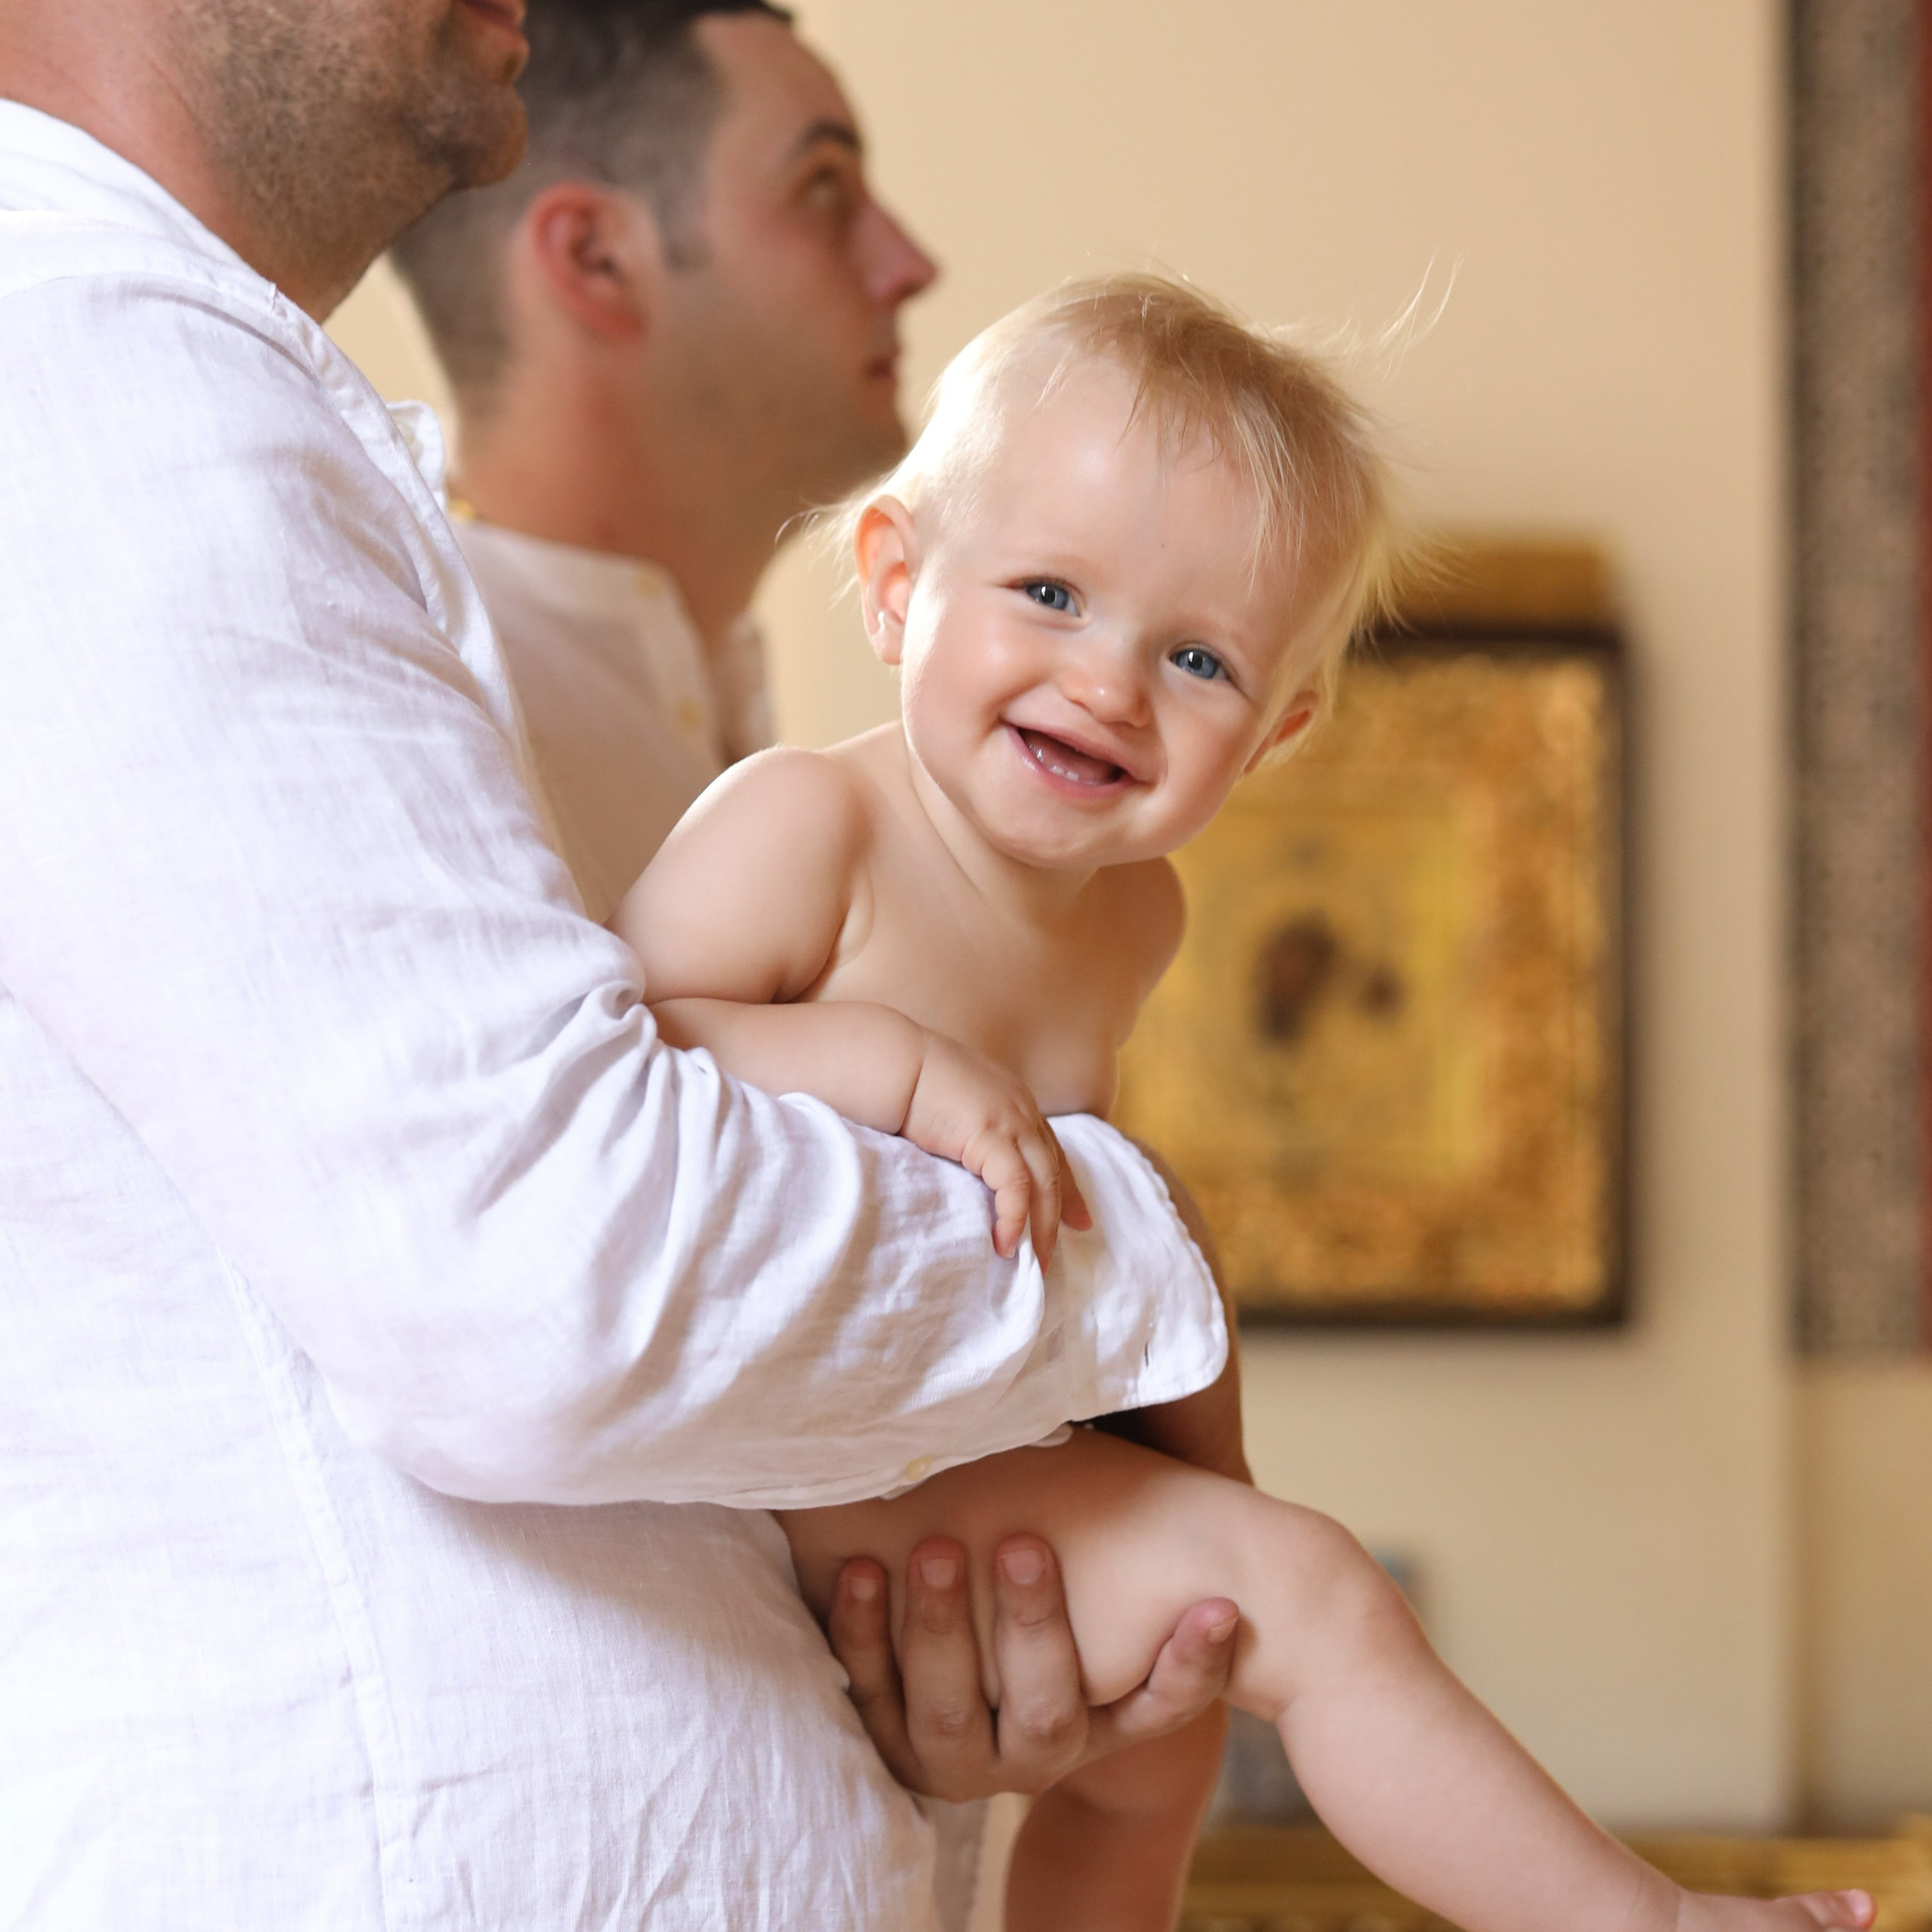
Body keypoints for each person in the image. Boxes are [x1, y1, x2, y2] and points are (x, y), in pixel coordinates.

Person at [0, 4, 1246, 1925]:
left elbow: (618, 1386)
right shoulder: (100, 375)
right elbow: (524, 1275)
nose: (911, 256)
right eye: (821, 189)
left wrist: (916, 1624)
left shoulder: (878, 769)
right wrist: (1135, 1264)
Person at [614, 275, 1880, 1932]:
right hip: (814, 1468)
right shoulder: (808, 827)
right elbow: (625, 1063)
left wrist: (1181, 1406)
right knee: (1312, 1593)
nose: (1108, 682)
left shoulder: (1136, 918)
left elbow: (1070, 1195)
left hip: (963, 1449)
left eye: (1195, 656)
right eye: (1048, 591)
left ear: (1274, 730)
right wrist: (894, 1069)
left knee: (1161, 1747)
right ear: (894, 580)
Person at [389, 0, 935, 922]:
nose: (910, 264)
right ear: (597, 259)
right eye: (824, 188)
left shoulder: (702, 673)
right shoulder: (424, 698)